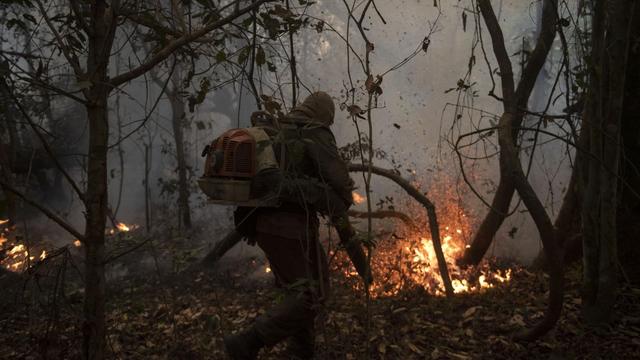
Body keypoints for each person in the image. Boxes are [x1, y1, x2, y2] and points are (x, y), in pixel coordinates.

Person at [224, 91, 356, 359]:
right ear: (323, 114)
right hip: (289, 227)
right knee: (311, 295)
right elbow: (338, 178)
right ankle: (249, 341)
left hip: (266, 225)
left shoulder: (278, 130)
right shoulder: (313, 132)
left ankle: (301, 351)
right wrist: (341, 200)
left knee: (302, 289)